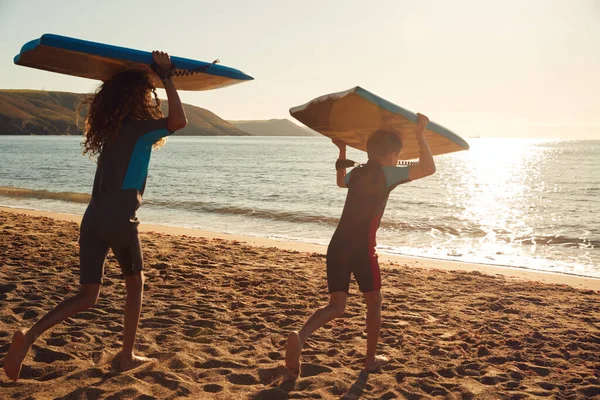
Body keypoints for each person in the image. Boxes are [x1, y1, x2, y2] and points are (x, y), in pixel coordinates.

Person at [2, 51, 187, 381]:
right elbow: (178, 122)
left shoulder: (110, 132)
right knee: (135, 283)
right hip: (121, 223)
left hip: (92, 221)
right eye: (148, 94)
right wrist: (168, 77)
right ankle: (127, 356)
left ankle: (28, 337)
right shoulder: (140, 130)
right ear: (138, 99)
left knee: (87, 294)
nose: (151, 99)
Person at [285, 113, 435, 376]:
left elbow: (340, 181)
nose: (399, 160)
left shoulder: (358, 172)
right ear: (390, 155)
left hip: (338, 245)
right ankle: (370, 360)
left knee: (336, 306)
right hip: (363, 249)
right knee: (374, 301)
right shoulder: (389, 173)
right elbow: (428, 168)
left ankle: (301, 334)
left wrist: (343, 149)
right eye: (398, 155)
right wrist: (421, 133)